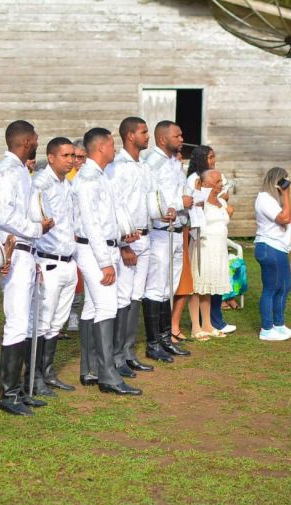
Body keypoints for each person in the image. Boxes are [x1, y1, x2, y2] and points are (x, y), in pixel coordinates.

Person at [0, 120, 54, 416]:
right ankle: (9, 393)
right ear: (27, 141)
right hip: (14, 250)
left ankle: (20, 389)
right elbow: (3, 215)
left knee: (25, 320)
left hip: (28, 250)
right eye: (36, 137)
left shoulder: (20, 171)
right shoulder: (5, 171)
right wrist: (37, 228)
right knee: (16, 321)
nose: (39, 141)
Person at [73, 127, 142, 396]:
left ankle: (89, 368)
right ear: (101, 147)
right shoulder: (89, 178)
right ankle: (108, 374)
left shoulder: (99, 176)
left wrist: (123, 237)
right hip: (93, 249)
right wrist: (105, 261)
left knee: (92, 307)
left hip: (104, 246)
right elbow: (91, 224)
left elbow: (107, 217)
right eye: (112, 145)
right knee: (106, 306)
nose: (115, 150)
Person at [28, 137, 79, 395]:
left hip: (68, 260)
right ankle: (34, 376)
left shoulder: (66, 184)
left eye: (73, 155)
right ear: (51, 157)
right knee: (43, 320)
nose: (71, 160)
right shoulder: (41, 184)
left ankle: (47, 371)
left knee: (57, 321)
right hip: (48, 259)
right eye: (65, 155)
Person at [105, 117, 155, 375]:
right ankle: (115, 355)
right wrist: (123, 243)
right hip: (128, 240)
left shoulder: (144, 166)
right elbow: (114, 206)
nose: (148, 136)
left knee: (137, 296)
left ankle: (128, 351)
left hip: (145, 236)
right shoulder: (117, 168)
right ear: (129, 136)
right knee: (122, 297)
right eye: (143, 132)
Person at [143, 121, 192, 361]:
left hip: (177, 229)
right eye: (177, 135)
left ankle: (165, 337)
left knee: (169, 288)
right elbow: (153, 196)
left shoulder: (174, 162)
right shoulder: (153, 163)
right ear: (162, 139)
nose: (181, 138)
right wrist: (181, 202)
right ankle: (154, 343)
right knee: (156, 287)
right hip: (161, 231)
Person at [186, 145, 237, 337]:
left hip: (218, 248)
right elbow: (195, 223)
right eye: (216, 182)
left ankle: (208, 324)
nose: (220, 185)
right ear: (205, 184)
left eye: (220, 181)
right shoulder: (200, 202)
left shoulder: (222, 202)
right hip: (203, 247)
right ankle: (195, 327)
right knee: (198, 286)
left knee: (209, 286)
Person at [254, 167, 291, 341]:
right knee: (271, 289)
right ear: (277, 182)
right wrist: (286, 195)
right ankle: (266, 329)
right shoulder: (264, 198)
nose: (287, 185)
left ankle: (279, 326)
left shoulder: (274, 200)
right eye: (284, 181)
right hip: (269, 247)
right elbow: (283, 219)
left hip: (279, 248)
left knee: (284, 287)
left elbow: (286, 218)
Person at [66, 138, 87, 331]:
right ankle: (71, 314)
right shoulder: (67, 177)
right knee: (72, 276)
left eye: (81, 157)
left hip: (87, 234)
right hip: (70, 234)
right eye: (75, 157)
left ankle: (80, 312)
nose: (77, 161)